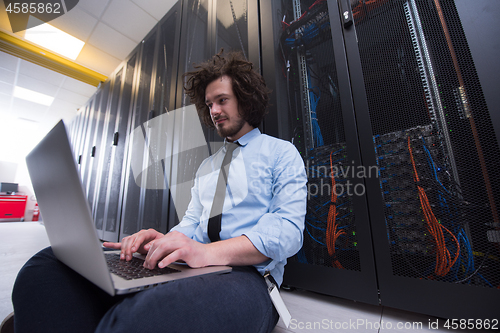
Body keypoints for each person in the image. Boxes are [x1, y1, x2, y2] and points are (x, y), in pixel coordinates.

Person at [11, 50, 307, 333]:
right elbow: (191, 223)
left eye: (222, 100)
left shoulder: (280, 153)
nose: (214, 110)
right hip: (191, 268)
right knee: (47, 265)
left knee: (143, 318)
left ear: (245, 99)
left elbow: (287, 232)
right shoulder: (207, 166)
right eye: (209, 104)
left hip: (250, 279)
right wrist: (162, 243)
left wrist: (205, 253)